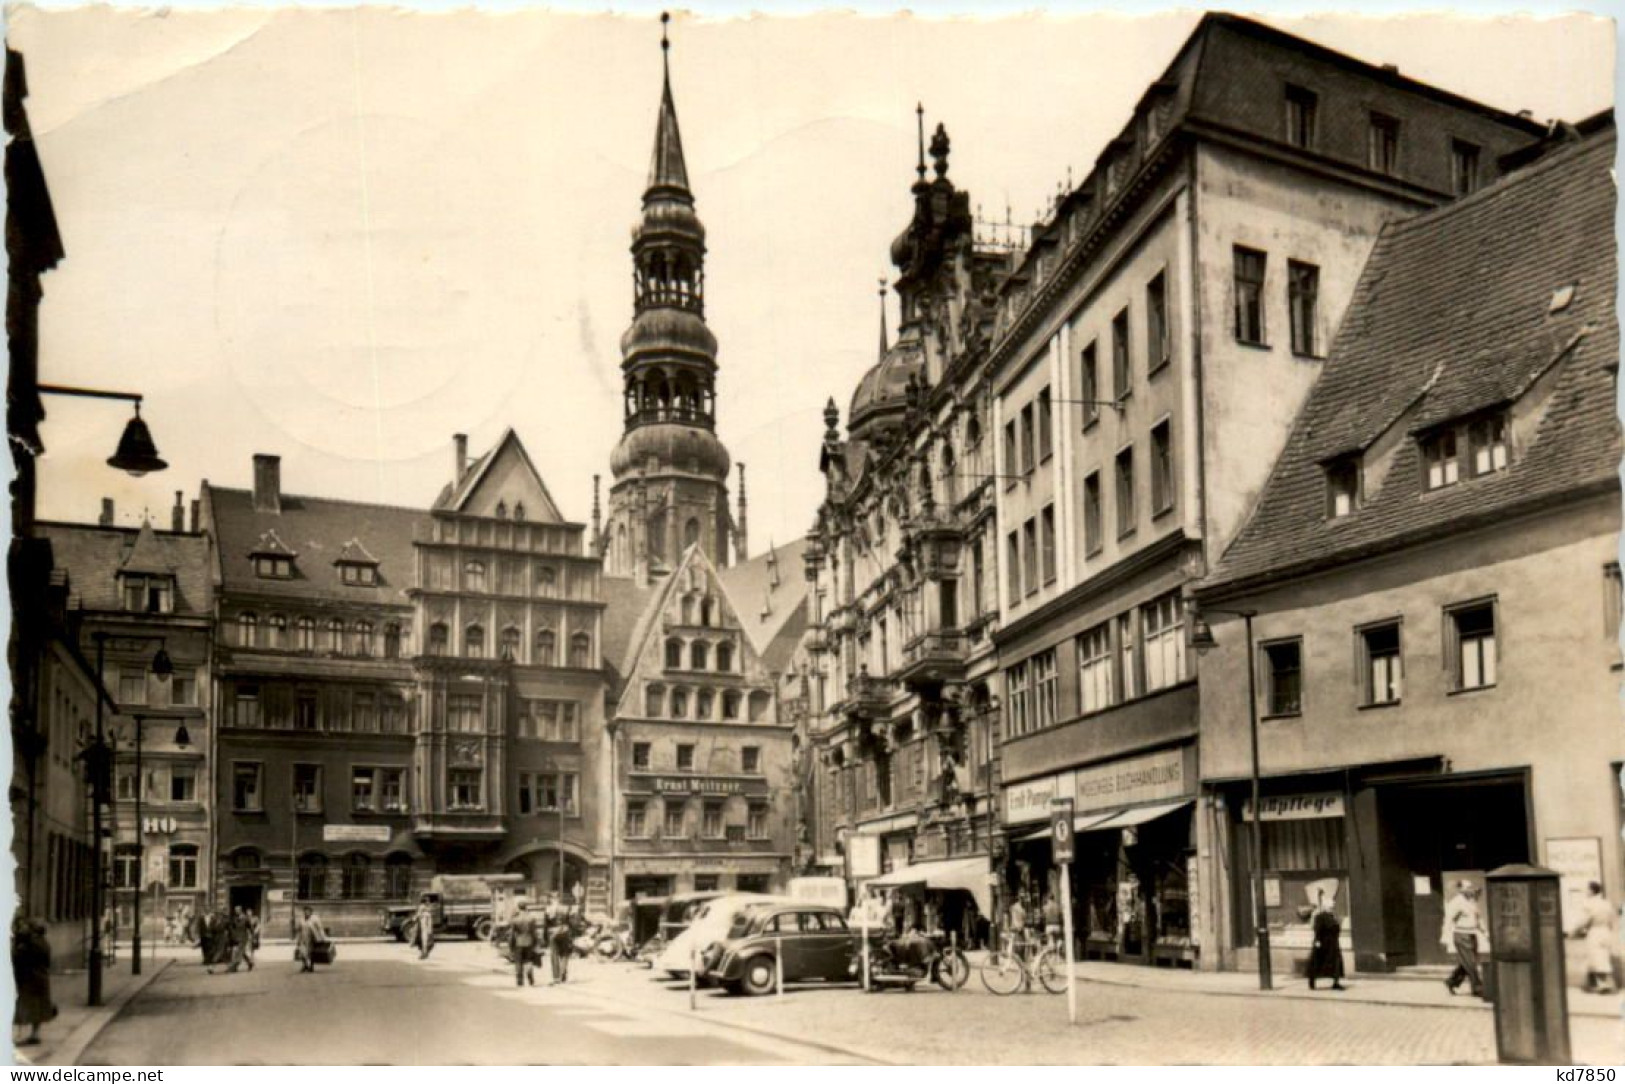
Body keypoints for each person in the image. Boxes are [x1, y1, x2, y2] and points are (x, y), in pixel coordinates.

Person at [1568, 881, 1619, 995]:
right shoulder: (1606, 903)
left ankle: (1605, 985)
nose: (1585, 892)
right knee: (1602, 957)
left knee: (1597, 958)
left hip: (1595, 932)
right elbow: (1612, 920)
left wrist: (1573, 931)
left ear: (1591, 891)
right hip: (1606, 932)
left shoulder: (1589, 904)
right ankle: (1594, 984)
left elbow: (1584, 920)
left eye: (1587, 889)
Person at [1442, 881, 1490, 1000]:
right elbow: (1448, 920)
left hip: (1472, 934)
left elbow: (1478, 919)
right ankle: (1478, 988)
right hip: (1461, 935)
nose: (1471, 889)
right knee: (1471, 962)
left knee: (1468, 962)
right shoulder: (1456, 902)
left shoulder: (1472, 901)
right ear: (1461, 889)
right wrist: (1445, 936)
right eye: (1468, 887)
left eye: (1471, 887)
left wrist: (1485, 932)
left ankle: (1451, 981)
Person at [11, 916, 55, 1048]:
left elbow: (17, 959)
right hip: (41, 977)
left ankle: (16, 1034)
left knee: (23, 1005)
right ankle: (35, 1034)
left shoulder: (27, 944)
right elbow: (48, 962)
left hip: (28, 978)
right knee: (38, 1006)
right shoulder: (44, 943)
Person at [1307, 894, 1346, 991]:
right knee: (1318, 961)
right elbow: (1318, 929)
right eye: (1331, 905)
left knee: (1336, 962)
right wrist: (1317, 941)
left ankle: (1336, 982)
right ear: (1326, 906)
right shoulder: (1320, 916)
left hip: (1333, 943)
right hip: (1323, 943)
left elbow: (1336, 928)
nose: (1333, 906)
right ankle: (1312, 981)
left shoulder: (1333, 916)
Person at [510, 905, 541, 987]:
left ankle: (520, 981)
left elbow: (512, 934)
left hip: (518, 942)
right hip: (529, 942)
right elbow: (534, 932)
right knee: (528, 960)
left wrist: (511, 945)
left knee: (518, 962)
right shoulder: (531, 918)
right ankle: (530, 979)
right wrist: (536, 942)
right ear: (526, 907)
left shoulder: (515, 919)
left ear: (518, 908)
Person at [545, 894, 572, 985]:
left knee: (554, 955)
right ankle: (563, 974)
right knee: (564, 954)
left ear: (552, 899)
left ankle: (556, 977)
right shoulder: (565, 908)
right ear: (559, 899)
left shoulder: (548, 909)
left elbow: (546, 924)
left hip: (553, 933)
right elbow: (569, 922)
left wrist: (545, 937)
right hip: (564, 932)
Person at [295, 906, 329, 973]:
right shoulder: (301, 919)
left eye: (308, 911)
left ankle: (311, 966)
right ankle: (304, 965)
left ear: (311, 912)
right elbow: (298, 928)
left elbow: (320, 928)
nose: (306, 912)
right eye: (305, 911)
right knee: (302, 952)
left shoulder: (315, 919)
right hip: (303, 938)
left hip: (313, 938)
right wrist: (297, 937)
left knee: (311, 953)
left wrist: (323, 938)